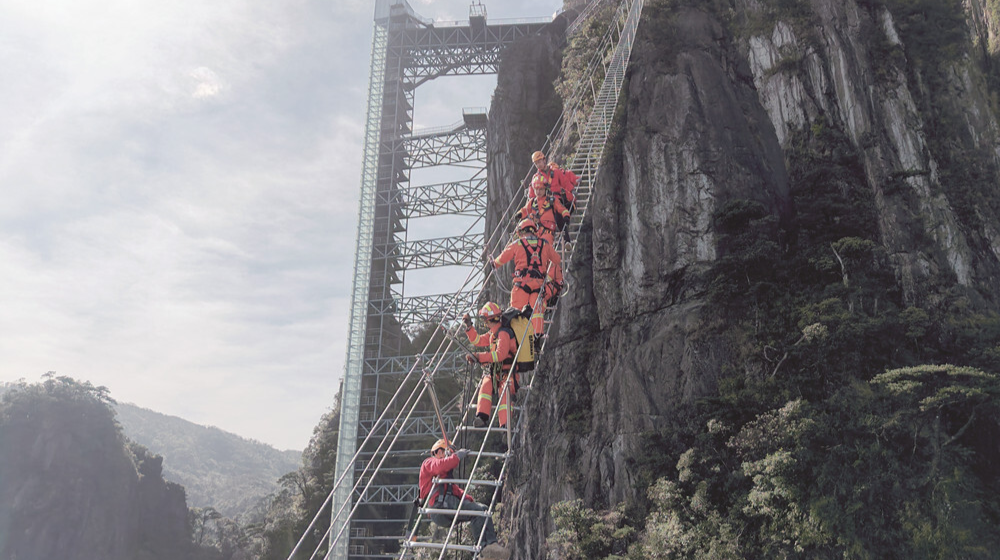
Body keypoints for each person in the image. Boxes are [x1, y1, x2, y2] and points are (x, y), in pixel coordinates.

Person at [418, 439, 509, 559]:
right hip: (439, 506)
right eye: (448, 453)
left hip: (445, 505)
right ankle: (483, 549)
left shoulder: (444, 477)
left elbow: (454, 489)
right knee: (476, 512)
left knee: (483, 509)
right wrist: (456, 457)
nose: (450, 456)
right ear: (439, 452)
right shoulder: (429, 463)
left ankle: (492, 545)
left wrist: (469, 499)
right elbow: (440, 466)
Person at [491, 219, 564, 339]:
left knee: (515, 311)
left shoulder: (517, 244)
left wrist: (494, 263)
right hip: (539, 286)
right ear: (534, 231)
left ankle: (514, 339)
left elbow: (502, 258)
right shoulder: (545, 244)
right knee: (537, 311)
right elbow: (557, 259)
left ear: (521, 232)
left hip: (522, 285)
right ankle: (538, 336)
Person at [463, 302, 518, 429]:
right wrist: (469, 327)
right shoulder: (493, 333)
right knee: (485, 385)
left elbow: (500, 355)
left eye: (485, 321)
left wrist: (479, 357)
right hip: (495, 373)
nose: (485, 324)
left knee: (505, 392)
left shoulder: (504, 333)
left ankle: (505, 424)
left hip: (508, 373)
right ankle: (482, 417)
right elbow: (477, 340)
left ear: (492, 319)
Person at [514, 178, 571, 245]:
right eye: (536, 189)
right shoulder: (532, 202)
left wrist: (566, 215)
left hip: (547, 233)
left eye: (541, 189)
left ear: (545, 189)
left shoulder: (552, 200)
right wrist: (519, 214)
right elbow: (525, 210)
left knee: (544, 248)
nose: (538, 192)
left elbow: (562, 209)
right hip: (534, 233)